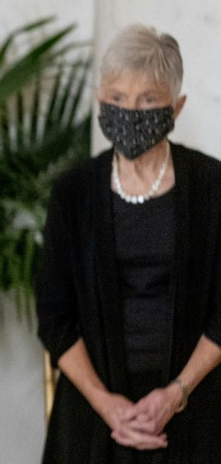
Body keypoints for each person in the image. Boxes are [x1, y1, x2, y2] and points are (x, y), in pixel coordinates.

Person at [38, 24, 221, 462]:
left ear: (177, 107)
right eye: (117, 98)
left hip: (196, 411)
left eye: (148, 100)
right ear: (100, 100)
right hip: (93, 417)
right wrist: (108, 406)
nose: (130, 110)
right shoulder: (73, 192)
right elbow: (54, 317)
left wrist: (175, 394)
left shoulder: (213, 187)